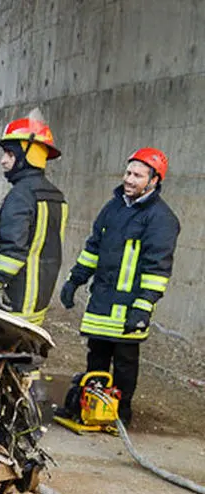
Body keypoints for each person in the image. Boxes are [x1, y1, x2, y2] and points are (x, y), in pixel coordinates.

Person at [59, 147, 179, 425]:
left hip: (129, 307)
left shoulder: (161, 219)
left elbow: (157, 267)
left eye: (138, 175)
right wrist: (75, 279)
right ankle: (92, 409)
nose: (129, 179)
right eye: (128, 172)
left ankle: (120, 414)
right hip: (102, 301)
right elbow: (93, 249)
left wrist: (143, 306)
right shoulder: (112, 208)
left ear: (154, 181)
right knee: (96, 356)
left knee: (125, 361)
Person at [0, 117, 68, 326]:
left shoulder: (21, 195)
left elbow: (13, 248)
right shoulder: (57, 196)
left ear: (26, 156)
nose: (3, 160)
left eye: (10, 154)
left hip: (15, 296)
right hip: (40, 296)